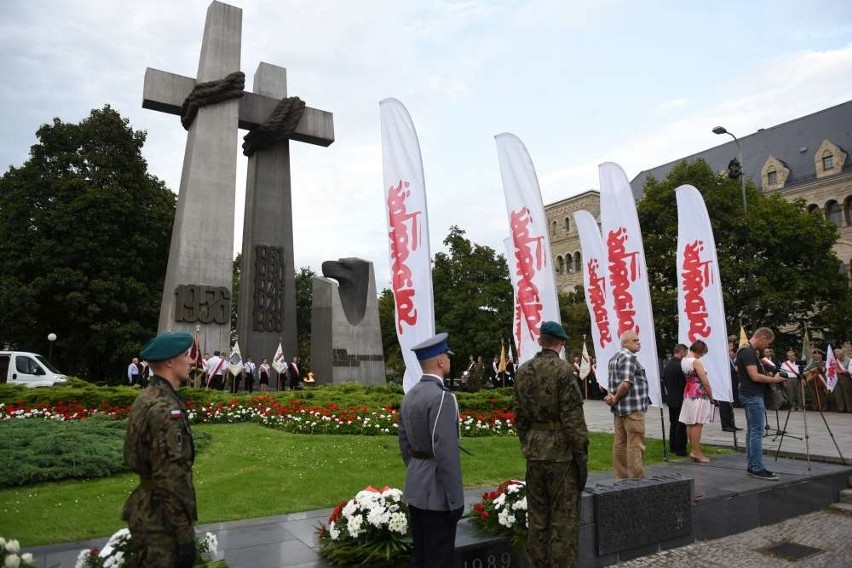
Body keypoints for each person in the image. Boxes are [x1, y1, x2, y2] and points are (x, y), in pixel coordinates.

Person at [513, 321, 588, 567]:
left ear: (540, 341)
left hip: (535, 451)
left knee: (537, 518)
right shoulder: (564, 370)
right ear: (561, 343)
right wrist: (581, 459)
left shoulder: (523, 370)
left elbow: (520, 417)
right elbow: (573, 420)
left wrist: (529, 442)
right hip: (561, 455)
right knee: (564, 521)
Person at [122, 332, 197, 567]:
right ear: (170, 362)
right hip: (163, 522)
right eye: (186, 355)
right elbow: (171, 478)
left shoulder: (146, 397)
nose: (192, 360)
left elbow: (131, 457)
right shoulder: (165, 409)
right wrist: (184, 536)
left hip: (147, 510)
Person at [398, 332, 463, 567]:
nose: (448, 359)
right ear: (440, 361)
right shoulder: (443, 398)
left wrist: (418, 469)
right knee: (439, 558)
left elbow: (405, 444)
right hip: (438, 495)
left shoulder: (410, 396)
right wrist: (455, 500)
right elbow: (446, 453)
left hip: (416, 486)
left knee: (421, 556)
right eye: (447, 355)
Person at [736, 327, 787, 481]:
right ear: (762, 337)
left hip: (749, 393)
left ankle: (752, 466)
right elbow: (754, 376)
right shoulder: (748, 352)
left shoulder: (745, 350)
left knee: (752, 431)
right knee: (757, 432)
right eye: (767, 343)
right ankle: (757, 467)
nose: (767, 347)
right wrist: (775, 380)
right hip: (752, 395)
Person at [604, 330, 648, 479]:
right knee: (636, 444)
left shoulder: (614, 358)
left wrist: (612, 398)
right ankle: (636, 478)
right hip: (632, 408)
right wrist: (615, 398)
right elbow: (626, 383)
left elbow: (613, 383)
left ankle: (621, 477)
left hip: (619, 410)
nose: (638, 343)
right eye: (635, 340)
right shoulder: (628, 357)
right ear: (625, 343)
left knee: (620, 444)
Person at [678, 341, 714, 463]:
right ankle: (696, 451)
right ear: (700, 351)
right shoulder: (696, 361)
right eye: (703, 353)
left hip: (688, 393)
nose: (702, 356)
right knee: (698, 423)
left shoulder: (684, 360)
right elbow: (705, 381)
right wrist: (711, 396)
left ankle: (694, 450)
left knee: (690, 423)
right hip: (698, 394)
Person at [662, 344, 688, 457]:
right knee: (681, 425)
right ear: (681, 352)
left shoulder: (668, 364)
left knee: (673, 424)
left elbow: (665, 380)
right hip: (680, 398)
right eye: (685, 352)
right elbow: (683, 383)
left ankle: (673, 446)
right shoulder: (680, 366)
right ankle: (680, 449)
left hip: (671, 398)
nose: (686, 354)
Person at [717, 342, 742, 432]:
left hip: (731, 383)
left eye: (732, 345)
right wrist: (734, 369)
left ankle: (732, 424)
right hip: (724, 385)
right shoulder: (722, 357)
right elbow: (722, 369)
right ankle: (725, 425)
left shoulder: (729, 357)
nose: (732, 347)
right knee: (724, 405)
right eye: (730, 345)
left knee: (730, 406)